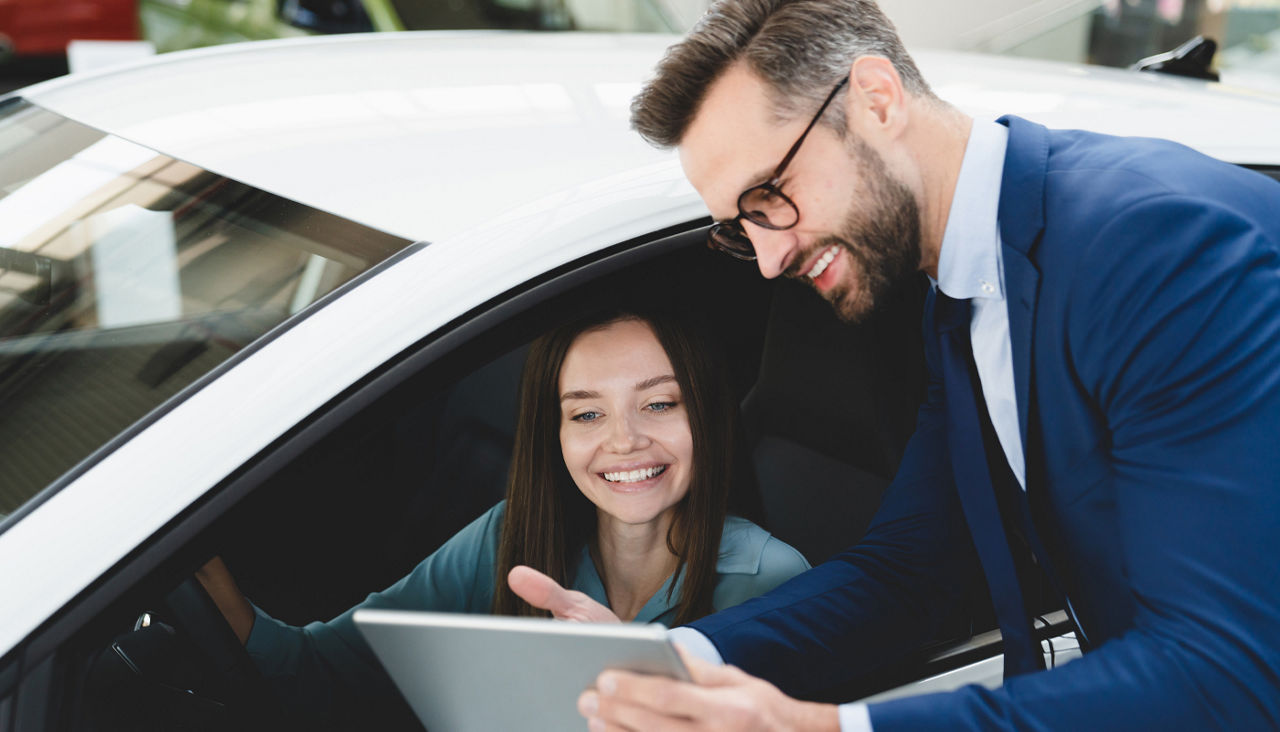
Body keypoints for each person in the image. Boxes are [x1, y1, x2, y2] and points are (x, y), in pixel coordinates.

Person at [508, 0, 1280, 729]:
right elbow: (917, 568)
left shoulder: (1161, 249)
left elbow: (1226, 671)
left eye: (770, 196)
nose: (770, 260)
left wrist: (829, 727)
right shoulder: (963, 284)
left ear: (876, 99)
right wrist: (662, 665)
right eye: (741, 228)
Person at [196, 307, 809, 727]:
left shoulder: (773, 579)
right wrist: (194, 567)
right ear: (556, 433)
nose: (624, 441)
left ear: (706, 414)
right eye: (587, 414)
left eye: (658, 404)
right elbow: (325, 671)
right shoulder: (509, 537)